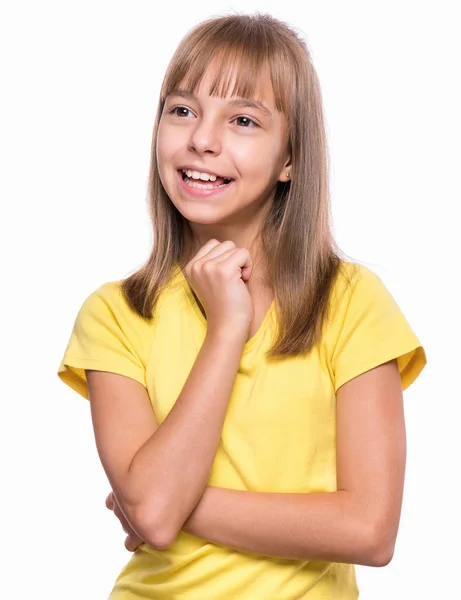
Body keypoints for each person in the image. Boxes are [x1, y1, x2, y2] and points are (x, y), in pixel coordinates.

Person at [57, 11, 427, 599]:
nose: (202, 138)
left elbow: (370, 529)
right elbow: (152, 514)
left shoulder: (351, 301)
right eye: (181, 110)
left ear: (290, 160)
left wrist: (168, 500)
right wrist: (227, 327)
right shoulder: (116, 313)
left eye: (244, 120)